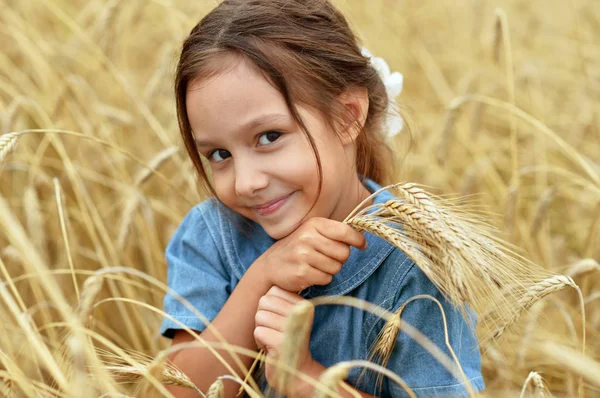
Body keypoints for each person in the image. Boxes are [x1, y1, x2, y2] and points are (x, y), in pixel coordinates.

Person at [160, 0, 485, 397]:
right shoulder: (213, 234)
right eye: (219, 155)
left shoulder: (416, 264)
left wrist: (307, 380)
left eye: (269, 137)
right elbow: (178, 392)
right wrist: (261, 277)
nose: (244, 183)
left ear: (348, 117)